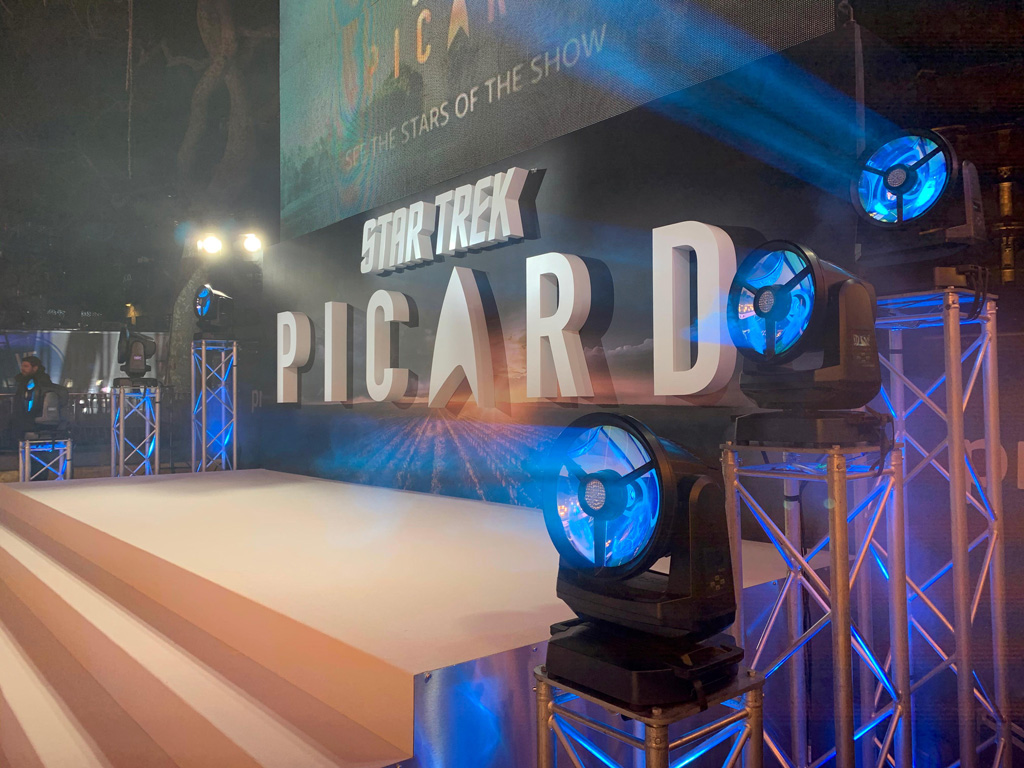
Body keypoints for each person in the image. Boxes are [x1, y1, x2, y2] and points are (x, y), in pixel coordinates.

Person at [12, 355, 53, 440]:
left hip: (32, 417)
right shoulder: (22, 380)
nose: (22, 369)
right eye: (22, 366)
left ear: (35, 368)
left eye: (26, 366)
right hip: (22, 416)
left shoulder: (40, 381)